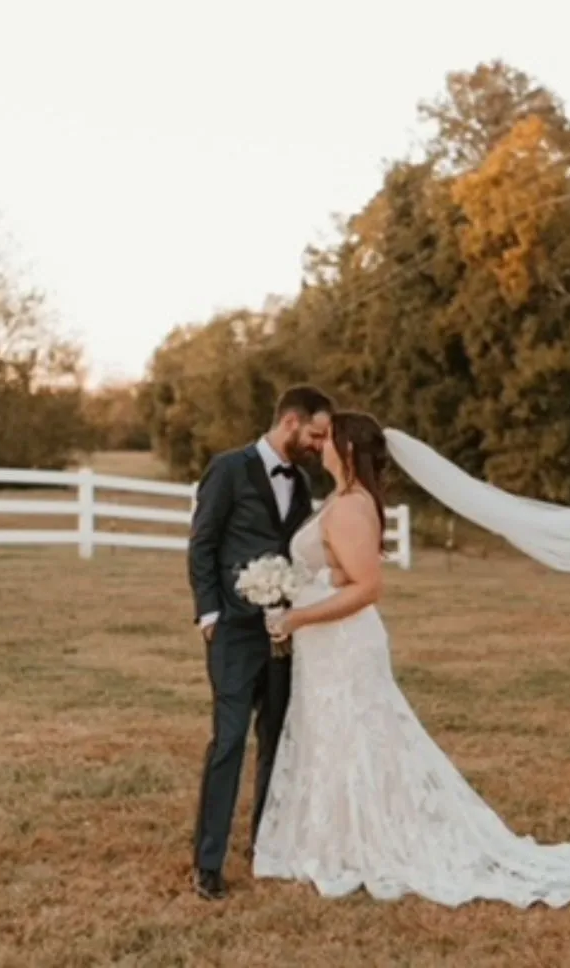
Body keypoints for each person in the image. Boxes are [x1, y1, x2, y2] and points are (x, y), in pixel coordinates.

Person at [254, 410, 570, 908]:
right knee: (338, 738)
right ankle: (335, 842)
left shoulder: (351, 507)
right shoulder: (344, 498)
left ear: (348, 449)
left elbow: (367, 588)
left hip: (343, 643)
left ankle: (364, 846)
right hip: (329, 647)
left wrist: (296, 620)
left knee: (358, 738)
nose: (320, 444)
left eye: (329, 438)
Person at [187, 384, 334, 901]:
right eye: (315, 434)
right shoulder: (228, 468)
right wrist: (209, 615)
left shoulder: (303, 483)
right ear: (290, 422)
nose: (320, 445)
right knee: (228, 743)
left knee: (275, 740)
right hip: (233, 630)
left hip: (283, 633)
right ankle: (207, 862)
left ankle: (265, 844)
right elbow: (202, 543)